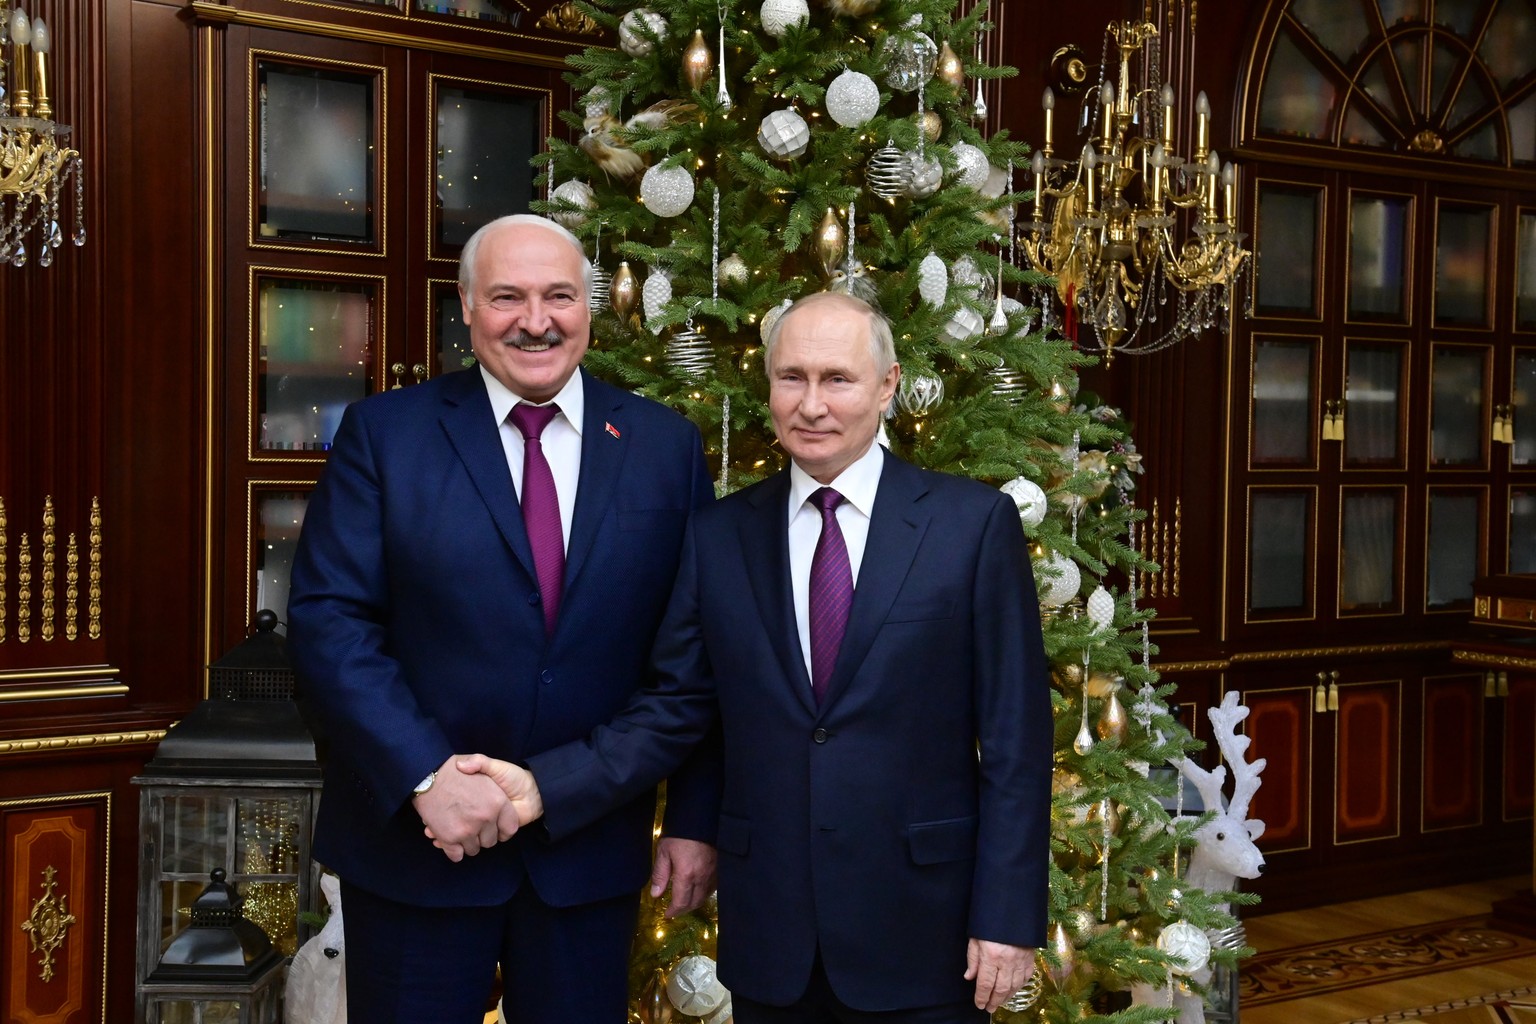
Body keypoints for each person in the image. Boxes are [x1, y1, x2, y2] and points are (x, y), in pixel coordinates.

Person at [462, 291, 1053, 1023]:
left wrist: (1007, 918)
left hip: (925, 930)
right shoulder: (719, 536)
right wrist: (557, 788)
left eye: (837, 379)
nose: (811, 405)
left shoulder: (972, 526)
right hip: (773, 933)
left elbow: (1016, 745)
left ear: (888, 384)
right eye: (790, 378)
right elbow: (686, 705)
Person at [286, 213, 719, 1024]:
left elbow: (692, 661)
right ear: (466, 307)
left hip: (586, 853)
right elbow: (329, 624)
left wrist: (690, 819)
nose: (536, 320)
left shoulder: (666, 447)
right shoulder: (386, 435)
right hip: (417, 849)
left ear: (588, 305)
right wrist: (426, 776)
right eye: (508, 297)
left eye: (559, 295)